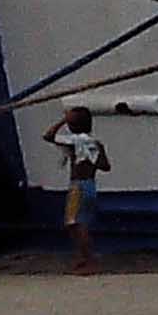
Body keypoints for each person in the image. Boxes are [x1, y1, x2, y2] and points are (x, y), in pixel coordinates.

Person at [44, 104, 110, 273]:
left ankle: (89, 259)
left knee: (75, 224)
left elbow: (49, 136)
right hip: (90, 185)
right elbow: (105, 166)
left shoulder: (75, 140)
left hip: (78, 186)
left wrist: (62, 121)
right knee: (81, 223)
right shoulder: (95, 143)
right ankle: (84, 257)